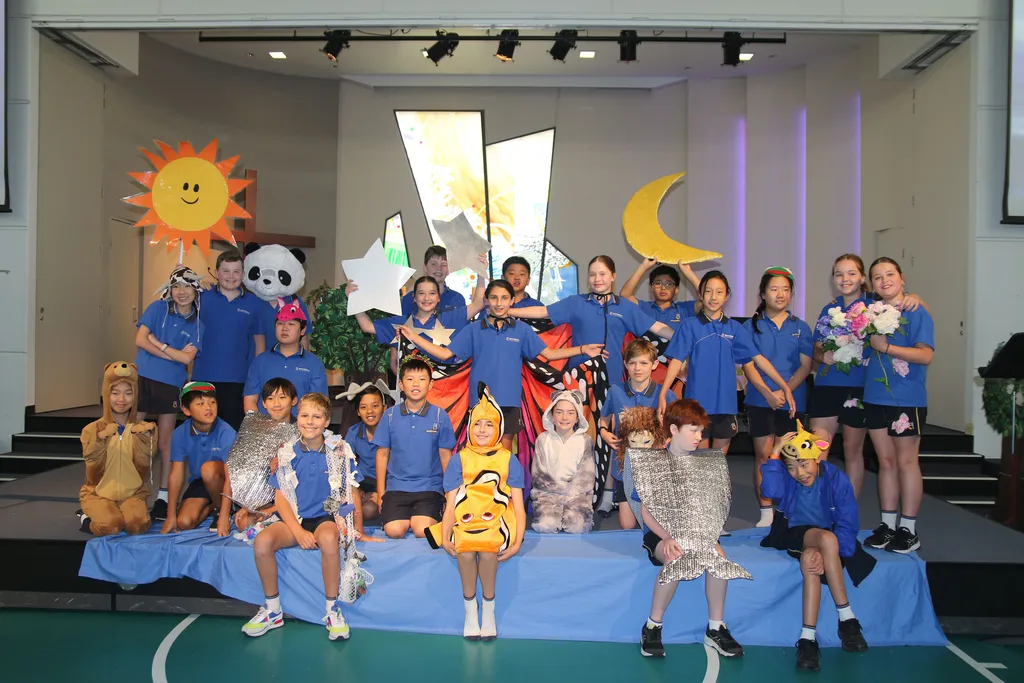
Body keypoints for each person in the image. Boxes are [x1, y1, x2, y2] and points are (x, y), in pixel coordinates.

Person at [398, 279, 605, 451]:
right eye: (494, 298)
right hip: (479, 403)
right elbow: (445, 354)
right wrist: (414, 336)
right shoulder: (473, 329)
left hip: (509, 403)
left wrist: (582, 349)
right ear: (486, 300)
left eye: (504, 298)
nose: (499, 303)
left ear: (512, 300)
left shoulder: (522, 330)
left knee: (503, 456)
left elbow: (549, 354)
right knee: (479, 452)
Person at [242, 392, 380, 641]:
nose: (310, 421)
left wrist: (358, 530)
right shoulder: (287, 452)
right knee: (262, 542)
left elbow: (351, 491)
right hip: (295, 518)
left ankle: (332, 610)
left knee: (328, 539)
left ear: (327, 421)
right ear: (298, 418)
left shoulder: (339, 449)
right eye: (305, 415)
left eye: (317, 417)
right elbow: (281, 498)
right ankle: (273, 610)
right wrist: (298, 532)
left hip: (325, 518)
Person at [809, 254, 927, 499]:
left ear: (863, 278)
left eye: (852, 273)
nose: (845, 279)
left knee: (852, 451)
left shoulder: (877, 306)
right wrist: (822, 355)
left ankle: (847, 509)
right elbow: (816, 348)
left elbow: (912, 306)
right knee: (817, 451)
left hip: (861, 388)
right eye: (839, 274)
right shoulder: (829, 308)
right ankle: (815, 506)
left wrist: (916, 297)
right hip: (827, 385)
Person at [759, 424, 872, 672]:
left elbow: (848, 522)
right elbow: (770, 491)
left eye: (803, 464)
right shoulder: (787, 477)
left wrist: (830, 555)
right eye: (791, 467)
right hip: (795, 533)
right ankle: (847, 618)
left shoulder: (836, 479)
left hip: (828, 538)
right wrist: (775, 453)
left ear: (817, 458)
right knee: (826, 540)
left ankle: (807, 640)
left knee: (811, 559)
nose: (799, 473)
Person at [638, 399, 744, 659]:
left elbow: (711, 507)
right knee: (675, 557)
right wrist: (667, 537)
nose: (699, 437)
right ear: (674, 429)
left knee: (718, 557)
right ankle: (652, 626)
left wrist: (706, 534)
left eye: (701, 431)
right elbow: (646, 513)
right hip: (661, 533)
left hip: (696, 530)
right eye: (693, 430)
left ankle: (715, 628)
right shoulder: (654, 463)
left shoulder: (706, 465)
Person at [426, 384, 527, 640]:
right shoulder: (459, 459)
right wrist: (445, 535)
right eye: (478, 424)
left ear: (499, 428)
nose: (482, 430)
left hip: (499, 517)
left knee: (488, 546)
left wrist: (517, 542)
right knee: (467, 547)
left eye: (489, 424)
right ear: (470, 427)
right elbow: (451, 503)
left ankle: (489, 609)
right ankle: (470, 609)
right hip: (466, 516)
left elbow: (518, 504)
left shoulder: (508, 459)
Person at [657, 270, 796, 454]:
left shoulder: (735, 328)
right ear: (700, 294)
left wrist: (785, 388)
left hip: (726, 406)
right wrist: (663, 393)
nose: (713, 297)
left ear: (727, 295)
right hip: (697, 407)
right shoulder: (689, 325)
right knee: (700, 462)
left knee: (719, 463)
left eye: (719, 292)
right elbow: (676, 361)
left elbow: (759, 359)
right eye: (708, 291)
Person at [862, 257, 935, 554]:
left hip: (906, 398)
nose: (885, 281)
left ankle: (909, 529)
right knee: (886, 463)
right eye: (877, 277)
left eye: (890, 274)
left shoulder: (916, 310)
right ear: (872, 284)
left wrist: (888, 348)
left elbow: (925, 355)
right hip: (874, 396)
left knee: (906, 463)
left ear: (902, 278)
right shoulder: (869, 313)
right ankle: (888, 525)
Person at [511, 255, 676, 385]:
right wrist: (508, 311)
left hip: (613, 378)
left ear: (613, 277)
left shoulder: (625, 306)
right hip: (578, 377)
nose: (597, 279)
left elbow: (656, 326)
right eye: (592, 274)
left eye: (602, 274)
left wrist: (683, 339)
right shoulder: (576, 302)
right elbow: (542, 312)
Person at [744, 266, 813, 527]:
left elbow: (805, 366)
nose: (780, 294)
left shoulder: (801, 327)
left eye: (785, 289)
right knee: (764, 456)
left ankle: (789, 509)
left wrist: (784, 391)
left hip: (793, 401)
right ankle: (766, 512)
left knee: (793, 457)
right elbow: (749, 366)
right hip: (760, 400)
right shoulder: (751, 327)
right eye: (774, 289)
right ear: (763, 294)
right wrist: (768, 393)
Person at [134, 266, 204, 521]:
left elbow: (187, 358)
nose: (181, 292)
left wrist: (159, 344)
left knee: (165, 443)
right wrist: (173, 353)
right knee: (130, 437)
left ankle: (163, 498)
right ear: (169, 289)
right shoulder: (157, 308)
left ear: (196, 291)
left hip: (170, 384)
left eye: (187, 287)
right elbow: (140, 340)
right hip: (142, 377)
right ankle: (129, 492)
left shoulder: (198, 324)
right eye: (176, 287)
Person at [373, 357, 456, 539]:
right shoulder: (389, 416)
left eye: (422, 379)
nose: (416, 384)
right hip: (397, 487)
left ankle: (424, 515)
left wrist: (450, 495)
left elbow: (446, 457)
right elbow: (382, 455)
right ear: (401, 385)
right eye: (410, 379)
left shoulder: (440, 416)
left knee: (422, 530)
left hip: (429, 487)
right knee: (394, 531)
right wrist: (381, 493)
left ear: (431, 384)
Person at [349, 270, 487, 376]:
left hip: (443, 392)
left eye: (432, 293)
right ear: (414, 297)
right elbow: (367, 326)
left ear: (438, 298)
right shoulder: (401, 323)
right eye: (421, 293)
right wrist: (353, 298)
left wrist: (480, 271)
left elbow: (478, 304)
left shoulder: (450, 319)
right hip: (411, 393)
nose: (426, 298)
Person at [598, 339, 676, 524]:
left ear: (654, 365)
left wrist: (668, 439)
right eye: (632, 363)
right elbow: (604, 418)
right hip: (625, 468)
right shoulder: (615, 391)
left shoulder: (664, 394)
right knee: (627, 525)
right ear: (626, 364)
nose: (637, 368)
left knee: (654, 525)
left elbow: (678, 426)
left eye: (643, 363)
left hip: (655, 469)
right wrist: (603, 431)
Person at [78, 362, 157, 536]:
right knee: (111, 526)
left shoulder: (142, 428)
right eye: (115, 393)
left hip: (133, 493)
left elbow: (144, 464)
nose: (121, 399)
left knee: (138, 526)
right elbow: (92, 462)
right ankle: (86, 519)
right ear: (106, 394)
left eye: (128, 393)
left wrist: (145, 437)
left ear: (135, 396)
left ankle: (126, 510)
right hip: (98, 493)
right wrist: (102, 437)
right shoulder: (92, 429)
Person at [192, 249, 266, 430]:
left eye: (236, 271)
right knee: (203, 431)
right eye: (226, 271)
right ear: (216, 273)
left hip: (238, 378)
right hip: (204, 376)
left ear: (243, 274)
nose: (231, 276)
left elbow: (259, 342)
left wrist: (257, 375)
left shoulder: (253, 303)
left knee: (232, 431)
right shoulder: (201, 297)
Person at [216, 377, 298, 537]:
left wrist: (273, 509)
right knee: (244, 524)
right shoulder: (254, 427)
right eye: (270, 398)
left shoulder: (302, 429)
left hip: (293, 498)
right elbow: (234, 469)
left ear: (293, 401)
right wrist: (240, 508)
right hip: (264, 497)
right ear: (264, 403)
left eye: (282, 397)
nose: (276, 403)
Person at [161, 382, 237, 533]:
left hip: (227, 481)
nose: (208, 408)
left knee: (208, 469)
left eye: (212, 402)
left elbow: (231, 476)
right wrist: (170, 515)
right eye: (200, 404)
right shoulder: (179, 433)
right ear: (186, 410)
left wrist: (223, 516)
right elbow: (176, 474)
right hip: (200, 481)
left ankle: (223, 509)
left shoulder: (227, 432)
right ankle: (212, 506)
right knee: (184, 522)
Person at [242, 301, 328, 418]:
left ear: (303, 330)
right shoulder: (260, 361)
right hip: (264, 426)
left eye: (291, 324)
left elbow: (319, 404)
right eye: (280, 323)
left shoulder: (314, 364)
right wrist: (259, 425)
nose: (284, 328)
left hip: (301, 427)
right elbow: (250, 399)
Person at [531, 389, 595, 534]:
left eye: (570, 413)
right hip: (548, 495)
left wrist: (570, 493)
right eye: (559, 412)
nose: (564, 417)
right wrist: (558, 492)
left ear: (577, 417)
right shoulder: (543, 440)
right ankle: (551, 516)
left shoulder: (585, 441)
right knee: (546, 525)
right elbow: (539, 475)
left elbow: (586, 476)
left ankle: (573, 515)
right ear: (552, 416)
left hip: (576, 495)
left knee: (577, 527)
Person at [340, 380, 393, 522]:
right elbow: (345, 464)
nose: (369, 411)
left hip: (389, 482)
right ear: (358, 411)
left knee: (368, 510)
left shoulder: (393, 431)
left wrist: (381, 492)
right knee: (343, 506)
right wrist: (356, 487)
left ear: (384, 408)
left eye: (375, 406)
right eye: (363, 407)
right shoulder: (354, 432)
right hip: (363, 482)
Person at [619, 257, 702, 331]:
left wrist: (688, 272)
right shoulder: (643, 308)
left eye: (668, 284)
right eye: (658, 283)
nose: (663, 288)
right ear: (651, 288)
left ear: (676, 289)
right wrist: (643, 267)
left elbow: (705, 298)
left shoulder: (684, 309)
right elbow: (625, 295)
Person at [401, 245, 467, 316]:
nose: (439, 268)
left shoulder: (457, 299)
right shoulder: (409, 299)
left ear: (448, 270)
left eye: (444, 264)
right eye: (434, 264)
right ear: (425, 268)